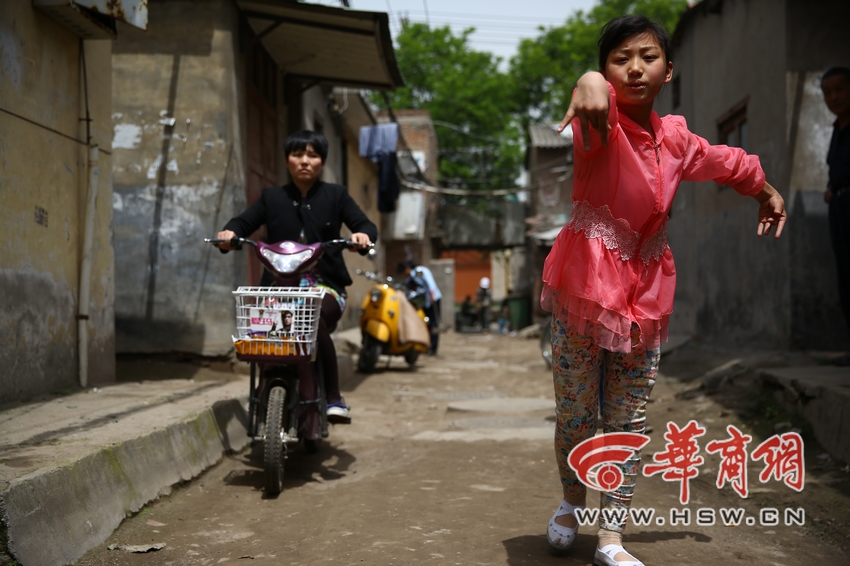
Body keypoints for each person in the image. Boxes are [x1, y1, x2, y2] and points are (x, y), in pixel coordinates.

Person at [542, 15, 786, 566]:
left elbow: (727, 161)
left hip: (646, 293)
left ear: (669, 70)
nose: (634, 68)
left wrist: (766, 190)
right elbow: (589, 101)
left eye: (647, 56)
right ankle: (569, 502)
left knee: (627, 418)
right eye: (619, 57)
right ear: (606, 70)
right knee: (577, 413)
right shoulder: (596, 123)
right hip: (584, 289)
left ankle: (611, 537)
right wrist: (585, 77)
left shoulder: (676, 138)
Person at [216, 130, 377, 423]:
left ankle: (333, 398)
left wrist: (363, 234)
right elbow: (243, 221)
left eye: (312, 155)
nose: (304, 161)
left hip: (325, 286)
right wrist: (230, 232)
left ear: (322, 162)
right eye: (297, 154)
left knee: (312, 320)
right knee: (262, 329)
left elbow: (364, 222)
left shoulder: (336, 195)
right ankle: (265, 391)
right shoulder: (271, 197)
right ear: (287, 160)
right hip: (278, 285)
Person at [821, 66, 850, 366]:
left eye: (839, 89)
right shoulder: (836, 132)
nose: (834, 97)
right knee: (844, 276)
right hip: (839, 210)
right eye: (828, 93)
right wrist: (832, 190)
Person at [414, 264, 443, 354]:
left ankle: (433, 348)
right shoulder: (411, 276)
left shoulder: (420, 270)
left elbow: (431, 284)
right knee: (426, 323)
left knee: (434, 324)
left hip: (433, 300)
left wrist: (432, 294)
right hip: (425, 301)